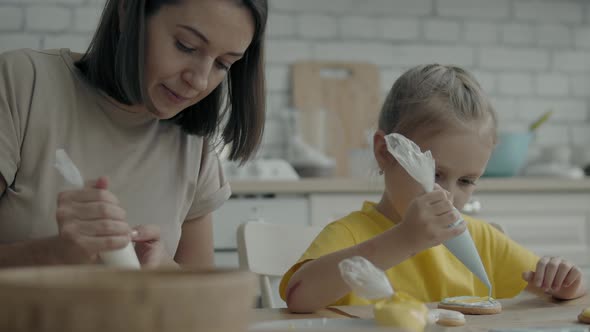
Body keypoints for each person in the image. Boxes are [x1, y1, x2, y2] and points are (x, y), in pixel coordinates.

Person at [279, 64, 586, 313]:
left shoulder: (483, 241)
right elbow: (298, 297)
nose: (449, 195)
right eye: (435, 173)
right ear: (386, 152)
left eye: (466, 181)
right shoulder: (350, 234)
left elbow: (568, 292)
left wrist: (567, 283)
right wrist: (403, 239)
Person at [0, 0, 267, 268]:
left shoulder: (193, 145)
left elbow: (199, 299)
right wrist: (53, 254)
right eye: (186, 46)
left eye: (223, 63)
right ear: (127, 9)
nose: (199, 81)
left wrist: (163, 271)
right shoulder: (21, 84)